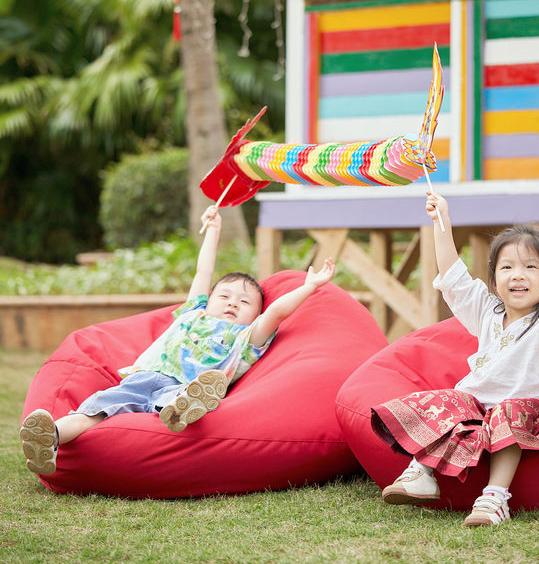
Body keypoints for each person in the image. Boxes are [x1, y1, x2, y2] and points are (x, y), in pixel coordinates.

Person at [20, 204, 335, 476]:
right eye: (224, 295)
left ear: (254, 315)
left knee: (187, 393)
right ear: (208, 300)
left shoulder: (246, 337)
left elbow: (278, 312)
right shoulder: (193, 312)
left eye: (244, 302)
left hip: (187, 385)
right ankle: (50, 439)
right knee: (96, 409)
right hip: (144, 378)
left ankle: (183, 408)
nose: (233, 303)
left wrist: (311, 285)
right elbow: (203, 270)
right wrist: (213, 229)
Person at [371, 192, 539, 527]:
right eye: (507, 267)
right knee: (448, 399)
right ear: (494, 280)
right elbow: (454, 277)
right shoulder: (487, 312)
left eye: (530, 267)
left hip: (532, 407)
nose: (517, 275)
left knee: (507, 412)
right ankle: (421, 473)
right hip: (482, 405)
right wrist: (442, 223)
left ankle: (494, 498)